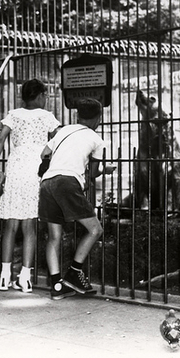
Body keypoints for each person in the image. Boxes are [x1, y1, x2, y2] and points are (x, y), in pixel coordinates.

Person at [38, 98, 115, 300]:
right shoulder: (97, 140)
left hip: (47, 183)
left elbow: (44, 153)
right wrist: (105, 170)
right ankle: (74, 271)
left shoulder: (63, 131)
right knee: (95, 229)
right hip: (67, 182)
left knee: (54, 236)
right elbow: (94, 173)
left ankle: (56, 286)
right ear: (98, 118)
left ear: (77, 115)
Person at [0, 79, 60, 292]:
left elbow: (1, 139)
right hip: (35, 167)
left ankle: (4, 276)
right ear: (39, 95)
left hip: (16, 166)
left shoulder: (14, 115)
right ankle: (25, 277)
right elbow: (57, 139)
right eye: (45, 95)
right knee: (29, 225)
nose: (45, 99)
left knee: (11, 224)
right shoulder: (46, 117)